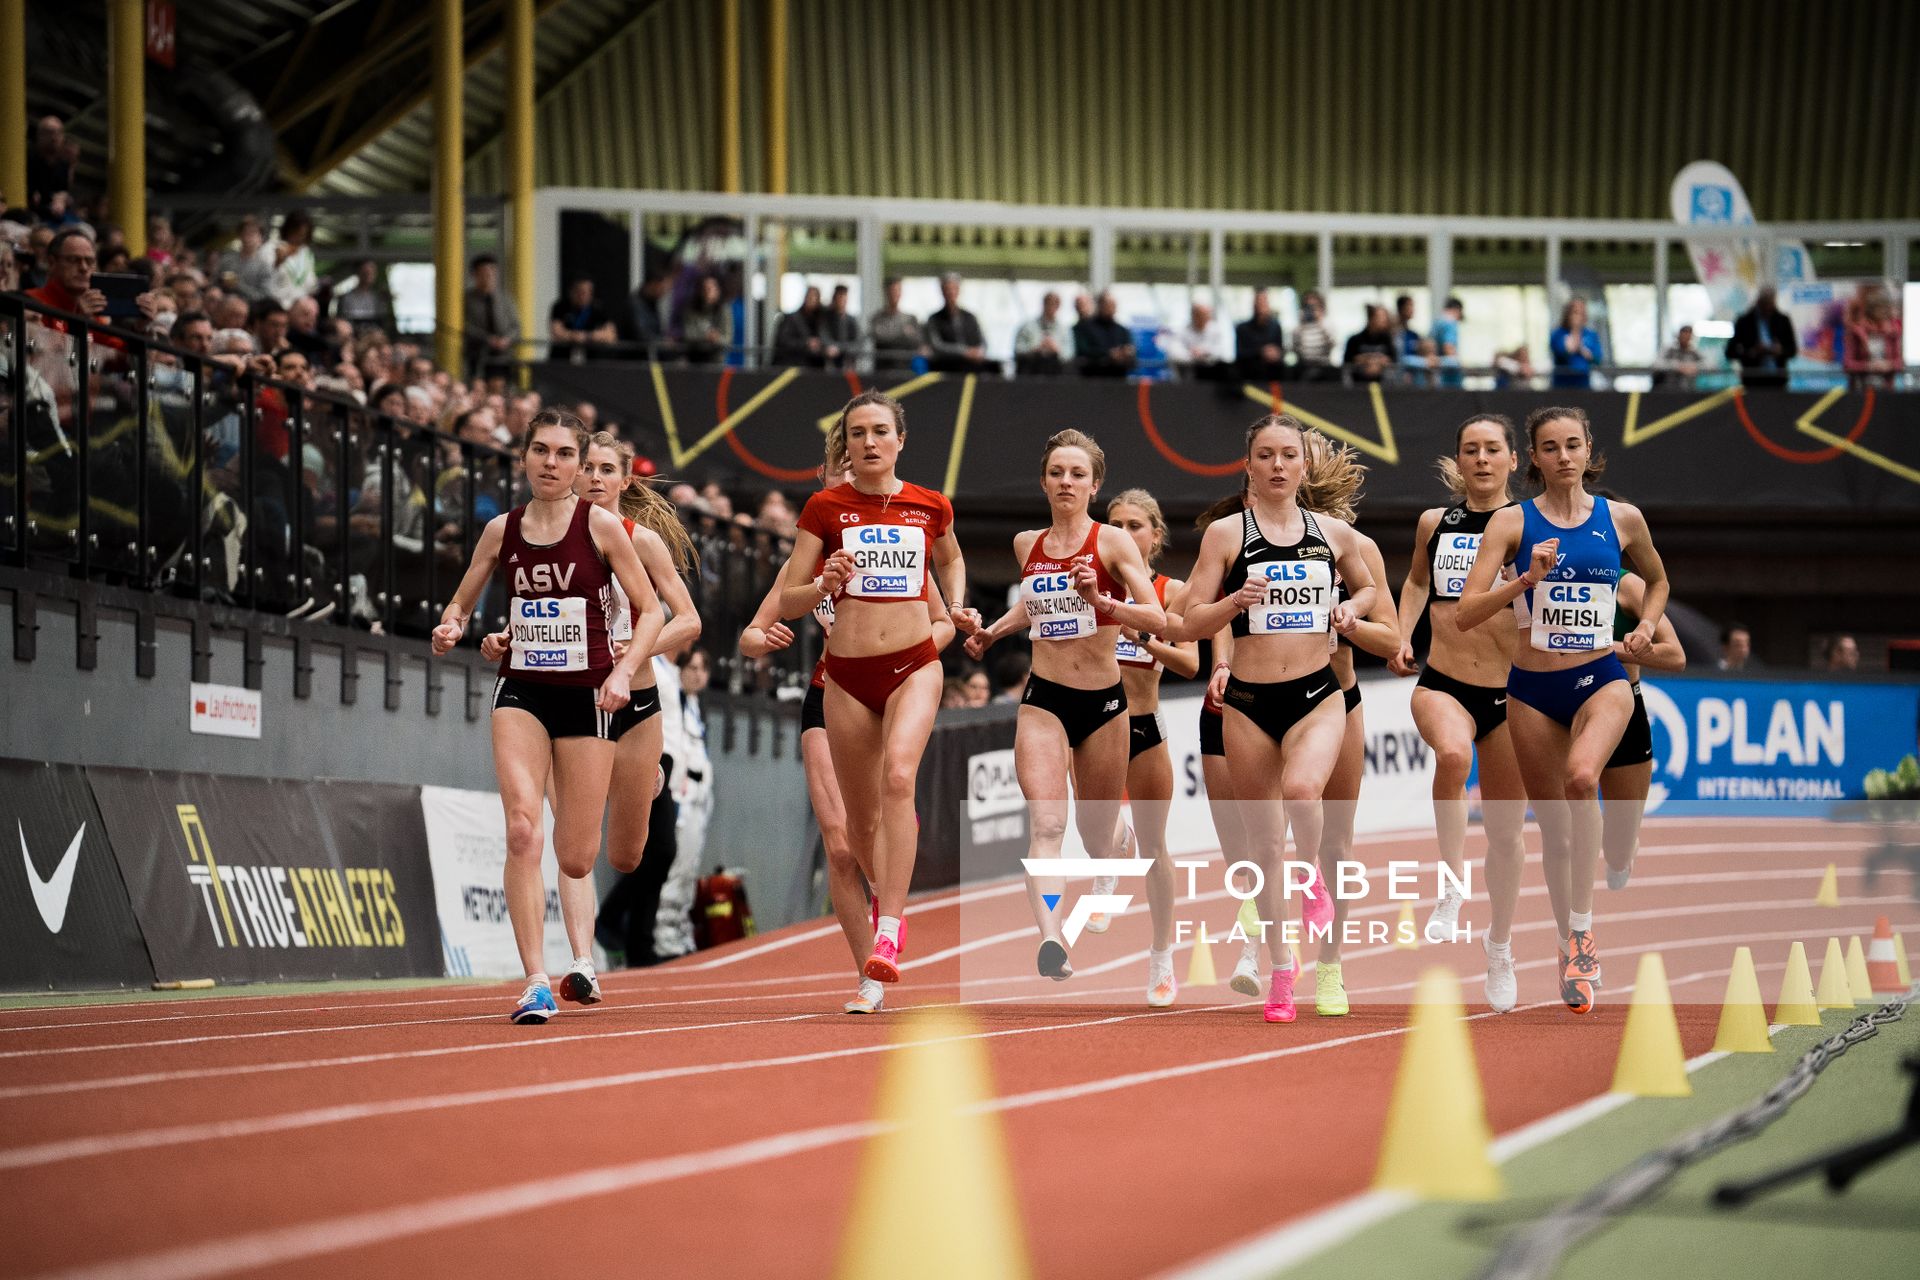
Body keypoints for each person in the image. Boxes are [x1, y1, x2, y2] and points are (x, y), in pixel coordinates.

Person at [431, 410, 665, 1024]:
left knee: (578, 856)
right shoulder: (499, 531)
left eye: (565, 454)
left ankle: (577, 951)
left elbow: (652, 612)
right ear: (525, 458)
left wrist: (621, 671)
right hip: (523, 691)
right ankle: (535, 978)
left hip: (588, 696)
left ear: (578, 463)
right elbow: (462, 600)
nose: (552, 464)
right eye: (541, 451)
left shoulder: (603, 528)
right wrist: (454, 625)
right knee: (520, 828)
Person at [1454, 406, 1670, 1016]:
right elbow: (1468, 612)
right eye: (1550, 448)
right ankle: (1572, 939)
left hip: (1603, 675)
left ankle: (1584, 929)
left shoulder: (1621, 519)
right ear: (1534, 459)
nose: (1564, 457)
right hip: (1531, 689)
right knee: (1554, 830)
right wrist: (1525, 581)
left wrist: (1646, 628)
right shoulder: (1509, 524)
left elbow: (1657, 581)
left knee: (1582, 778)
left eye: (1573, 444)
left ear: (1588, 448)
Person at [1170, 414, 1374, 1023]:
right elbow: (1189, 621)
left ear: (1303, 467)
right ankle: (1284, 972)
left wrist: (1349, 611)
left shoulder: (1336, 534)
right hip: (1250, 704)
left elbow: (1367, 593)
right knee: (1263, 850)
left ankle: (1320, 916)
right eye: (1266, 455)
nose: (1278, 465)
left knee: (1305, 789)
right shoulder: (1226, 536)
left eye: (1289, 455)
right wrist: (1234, 601)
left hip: (1318, 693)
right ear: (1250, 466)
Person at [740, 461, 956, 1013]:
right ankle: (869, 976)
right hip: (831, 690)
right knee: (840, 843)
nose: (852, 481)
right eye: (839, 474)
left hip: (900, 674)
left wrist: (916, 646)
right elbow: (750, 634)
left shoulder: (904, 539)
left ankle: (887, 927)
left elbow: (943, 618)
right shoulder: (816, 547)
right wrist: (767, 639)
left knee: (893, 789)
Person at [486, 431, 701, 969]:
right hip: (571, 693)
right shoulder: (547, 534)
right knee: (563, 835)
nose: (595, 478)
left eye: (609, 470)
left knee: (626, 855)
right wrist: (511, 639)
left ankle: (632, 779)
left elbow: (689, 619)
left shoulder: (640, 540)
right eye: (590, 468)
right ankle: (582, 960)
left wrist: (633, 651)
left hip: (633, 702)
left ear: (624, 480)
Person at [964, 432, 1168, 994]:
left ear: (1094, 485)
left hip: (1104, 704)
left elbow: (1155, 617)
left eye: (1078, 474)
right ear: (1044, 481)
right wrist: (992, 633)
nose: (1066, 483)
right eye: (1057, 472)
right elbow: (1033, 604)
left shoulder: (1113, 545)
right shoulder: (1025, 542)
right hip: (1045, 699)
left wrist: (1103, 603)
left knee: (1095, 833)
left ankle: (1119, 841)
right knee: (1048, 824)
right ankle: (1052, 937)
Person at [776, 391, 969, 986]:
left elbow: (952, 559)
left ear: (899, 440)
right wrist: (823, 582)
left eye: (880, 431)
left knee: (899, 777)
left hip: (913, 663)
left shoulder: (929, 505)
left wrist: (957, 606)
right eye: (857, 433)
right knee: (859, 828)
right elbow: (788, 596)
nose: (869, 442)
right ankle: (886, 894)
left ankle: (890, 925)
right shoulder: (824, 508)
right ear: (847, 443)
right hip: (847, 676)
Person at [1388, 414, 1527, 1006]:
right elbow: (1418, 584)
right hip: (1444, 679)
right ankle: (1450, 886)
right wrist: (1401, 634)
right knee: (1451, 752)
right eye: (1470, 449)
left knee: (1506, 837)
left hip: (1516, 695)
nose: (1481, 459)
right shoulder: (1433, 523)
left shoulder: (1531, 526)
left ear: (1513, 460)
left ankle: (1499, 947)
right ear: (1459, 461)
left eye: (1493, 449)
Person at [1105, 488, 1201, 990]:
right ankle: (1113, 848)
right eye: (1114, 523)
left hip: (1144, 725)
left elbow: (1190, 664)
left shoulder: (1171, 591)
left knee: (1156, 848)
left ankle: (1161, 955)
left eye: (1134, 525)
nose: (1122, 533)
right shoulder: (1091, 580)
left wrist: (1142, 634)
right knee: (1096, 822)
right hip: (1096, 722)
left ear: (1155, 536)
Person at [1726, 286, 1796, 389]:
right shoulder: (1744, 321)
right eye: (1765, 305)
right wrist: (1751, 352)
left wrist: (1779, 351)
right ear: (1759, 302)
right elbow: (1730, 352)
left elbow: (1792, 350)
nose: (1767, 309)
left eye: (1770, 305)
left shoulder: (1782, 320)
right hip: (1752, 380)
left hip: (1778, 380)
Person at [465, 254, 520, 380]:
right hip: (477, 353)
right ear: (475, 274)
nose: (489, 276)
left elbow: (516, 326)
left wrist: (506, 339)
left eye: (492, 272)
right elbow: (465, 325)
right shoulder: (467, 299)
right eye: (484, 273)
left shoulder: (506, 299)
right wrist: (488, 339)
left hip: (504, 354)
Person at [925, 273, 988, 372]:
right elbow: (937, 346)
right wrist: (964, 352)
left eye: (954, 289)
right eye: (948, 290)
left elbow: (983, 342)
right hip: (946, 370)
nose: (951, 293)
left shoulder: (970, 318)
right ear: (942, 291)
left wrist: (979, 353)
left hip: (972, 371)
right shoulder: (934, 319)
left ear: (958, 290)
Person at [259, 210, 317, 309]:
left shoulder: (306, 253)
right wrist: (277, 262)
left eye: (304, 235)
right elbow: (263, 279)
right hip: (276, 306)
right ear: (288, 230)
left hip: (300, 309)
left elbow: (310, 283)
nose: (299, 238)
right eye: (297, 233)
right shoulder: (271, 248)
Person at [549, 278, 617, 361]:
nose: (584, 296)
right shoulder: (560, 307)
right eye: (580, 292)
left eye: (588, 292)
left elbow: (611, 335)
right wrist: (573, 337)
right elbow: (557, 333)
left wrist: (587, 337)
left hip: (591, 362)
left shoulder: (598, 308)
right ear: (572, 292)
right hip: (562, 360)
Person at [1160, 301, 1232, 379]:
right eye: (1201, 316)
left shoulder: (1216, 330)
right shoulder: (1181, 331)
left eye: (1207, 315)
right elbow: (1175, 354)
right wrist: (1193, 355)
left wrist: (1204, 353)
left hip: (1212, 373)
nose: (1206, 318)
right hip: (1187, 373)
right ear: (1194, 316)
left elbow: (1220, 352)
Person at [868, 277, 926, 372]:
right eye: (891, 291)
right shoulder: (877, 318)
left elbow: (917, 340)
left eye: (897, 290)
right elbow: (879, 336)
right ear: (886, 292)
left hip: (905, 368)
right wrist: (903, 333)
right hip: (882, 369)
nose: (894, 294)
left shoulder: (910, 318)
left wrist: (890, 333)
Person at [1073, 290, 1136, 377]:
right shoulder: (1085, 327)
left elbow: (1131, 351)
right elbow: (1083, 351)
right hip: (1093, 379)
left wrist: (1127, 353)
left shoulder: (1122, 330)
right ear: (1100, 305)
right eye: (1107, 305)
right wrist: (1108, 354)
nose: (1110, 308)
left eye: (1112, 305)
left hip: (1118, 380)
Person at [1548, 297, 1604, 390]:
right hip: (1562, 384)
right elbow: (1561, 352)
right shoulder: (1557, 334)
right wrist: (1574, 331)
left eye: (1581, 313)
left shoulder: (1591, 335)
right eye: (1575, 312)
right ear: (1567, 314)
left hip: (1583, 383)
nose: (1578, 317)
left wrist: (1583, 350)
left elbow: (1598, 358)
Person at [677, 274, 733, 364]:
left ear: (718, 291)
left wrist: (717, 338)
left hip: (716, 360)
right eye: (706, 289)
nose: (708, 293)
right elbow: (688, 334)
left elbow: (727, 340)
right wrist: (706, 336)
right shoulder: (691, 309)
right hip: (694, 358)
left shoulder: (724, 310)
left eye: (712, 289)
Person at [1014, 291, 1072, 375]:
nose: (1051, 307)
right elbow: (1018, 350)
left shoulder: (1064, 330)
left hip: (1056, 374)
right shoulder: (1027, 327)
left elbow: (1069, 355)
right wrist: (1036, 349)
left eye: (1055, 304)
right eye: (1049, 303)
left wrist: (1056, 350)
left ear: (1058, 307)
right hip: (1031, 372)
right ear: (1043, 304)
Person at [1236, 288, 1286, 382]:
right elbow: (1240, 354)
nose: (1262, 305)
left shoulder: (1275, 327)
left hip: (1273, 377)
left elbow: (1281, 350)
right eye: (1259, 301)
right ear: (1254, 304)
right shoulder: (1242, 328)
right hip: (1250, 376)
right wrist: (1261, 352)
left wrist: (1276, 354)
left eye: (1264, 301)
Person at [1341, 306, 1395, 383]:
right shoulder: (1354, 340)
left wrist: (1376, 362)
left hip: (1384, 385)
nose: (1384, 320)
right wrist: (1366, 361)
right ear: (1371, 318)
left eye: (1385, 317)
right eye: (1380, 317)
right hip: (1358, 385)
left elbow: (1393, 360)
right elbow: (1347, 361)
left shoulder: (1388, 340)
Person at [1656, 325, 1703, 389]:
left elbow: (1710, 364)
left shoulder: (1694, 352)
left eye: (1688, 337)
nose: (1685, 339)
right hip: (1668, 388)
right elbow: (1657, 364)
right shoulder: (1669, 350)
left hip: (1689, 388)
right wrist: (1677, 367)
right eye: (1684, 336)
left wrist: (1693, 367)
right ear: (1679, 336)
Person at [1432, 297, 1464, 387]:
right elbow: (1448, 348)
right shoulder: (1449, 323)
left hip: (1436, 376)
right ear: (1457, 310)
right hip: (1448, 378)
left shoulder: (1436, 323)